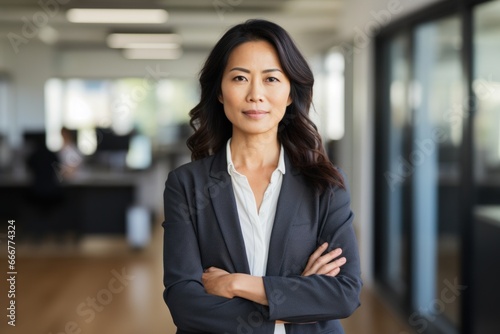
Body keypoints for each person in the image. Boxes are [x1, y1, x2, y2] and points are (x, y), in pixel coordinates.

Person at [162, 19, 362, 334]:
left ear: (289, 92)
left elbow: (344, 294)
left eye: (271, 78)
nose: (256, 94)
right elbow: (184, 302)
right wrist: (298, 299)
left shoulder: (325, 183)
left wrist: (237, 284)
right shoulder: (186, 185)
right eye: (240, 78)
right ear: (219, 91)